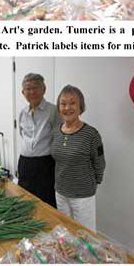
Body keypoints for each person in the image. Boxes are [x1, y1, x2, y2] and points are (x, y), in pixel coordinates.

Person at [52, 85, 105, 230]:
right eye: (63, 103)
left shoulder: (91, 134)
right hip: (61, 192)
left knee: (85, 235)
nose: (67, 107)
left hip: (83, 195)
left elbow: (99, 162)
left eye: (72, 103)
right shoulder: (56, 131)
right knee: (66, 230)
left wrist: (93, 183)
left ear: (80, 106)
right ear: (59, 107)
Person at [18, 73, 61, 208]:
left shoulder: (53, 110)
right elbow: (22, 134)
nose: (32, 92)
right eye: (28, 89)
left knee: (46, 201)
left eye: (35, 87)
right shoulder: (22, 112)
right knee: (25, 199)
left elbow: (59, 136)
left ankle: (49, 228)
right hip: (25, 163)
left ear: (44, 89)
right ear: (22, 92)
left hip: (45, 164)